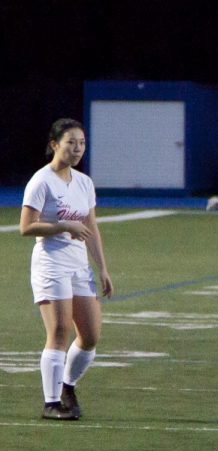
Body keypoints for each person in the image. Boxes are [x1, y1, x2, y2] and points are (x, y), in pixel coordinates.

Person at [19, 118, 113, 420]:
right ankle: (51, 403)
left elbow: (92, 228)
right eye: (71, 142)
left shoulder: (84, 183)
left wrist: (103, 269)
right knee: (59, 331)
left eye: (82, 143)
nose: (77, 148)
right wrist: (62, 226)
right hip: (51, 263)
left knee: (90, 336)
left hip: (78, 266)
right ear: (54, 144)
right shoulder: (41, 181)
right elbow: (26, 227)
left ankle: (67, 386)